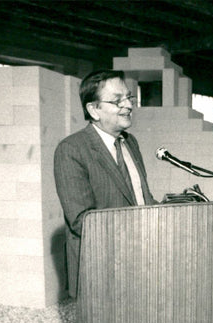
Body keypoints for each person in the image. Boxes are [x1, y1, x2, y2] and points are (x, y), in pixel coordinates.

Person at [54, 69, 157, 297]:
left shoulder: (131, 143)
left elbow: (140, 198)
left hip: (141, 261)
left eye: (129, 97)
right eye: (117, 100)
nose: (128, 106)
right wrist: (136, 235)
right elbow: (83, 220)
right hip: (100, 268)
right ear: (93, 109)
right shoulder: (72, 150)